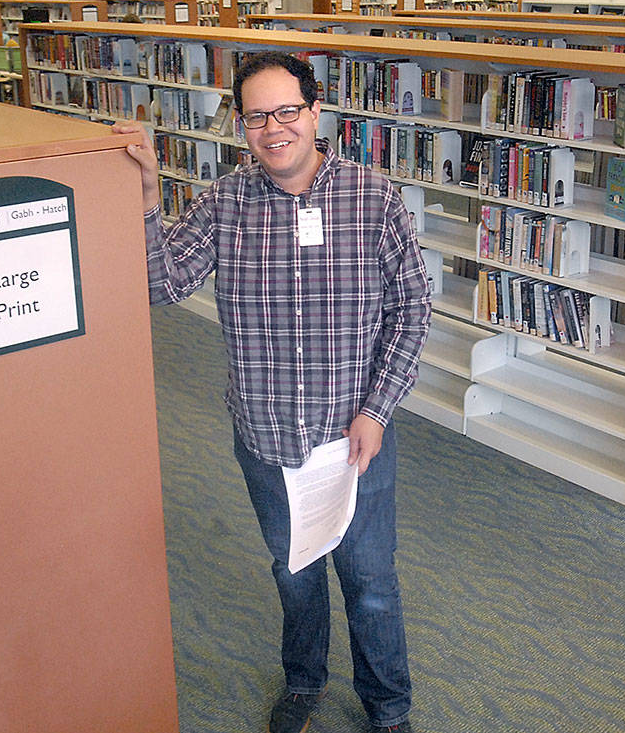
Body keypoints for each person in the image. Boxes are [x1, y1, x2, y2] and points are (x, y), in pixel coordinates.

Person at [118, 50, 430, 733]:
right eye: (257, 116)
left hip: (354, 442)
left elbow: (412, 309)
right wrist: (146, 198)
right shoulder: (225, 202)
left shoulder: (373, 197)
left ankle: (389, 708)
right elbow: (160, 284)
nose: (273, 128)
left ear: (316, 112)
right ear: (241, 125)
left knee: (371, 585)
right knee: (294, 572)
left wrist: (377, 411)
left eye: (287, 110)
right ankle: (304, 679)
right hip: (264, 441)